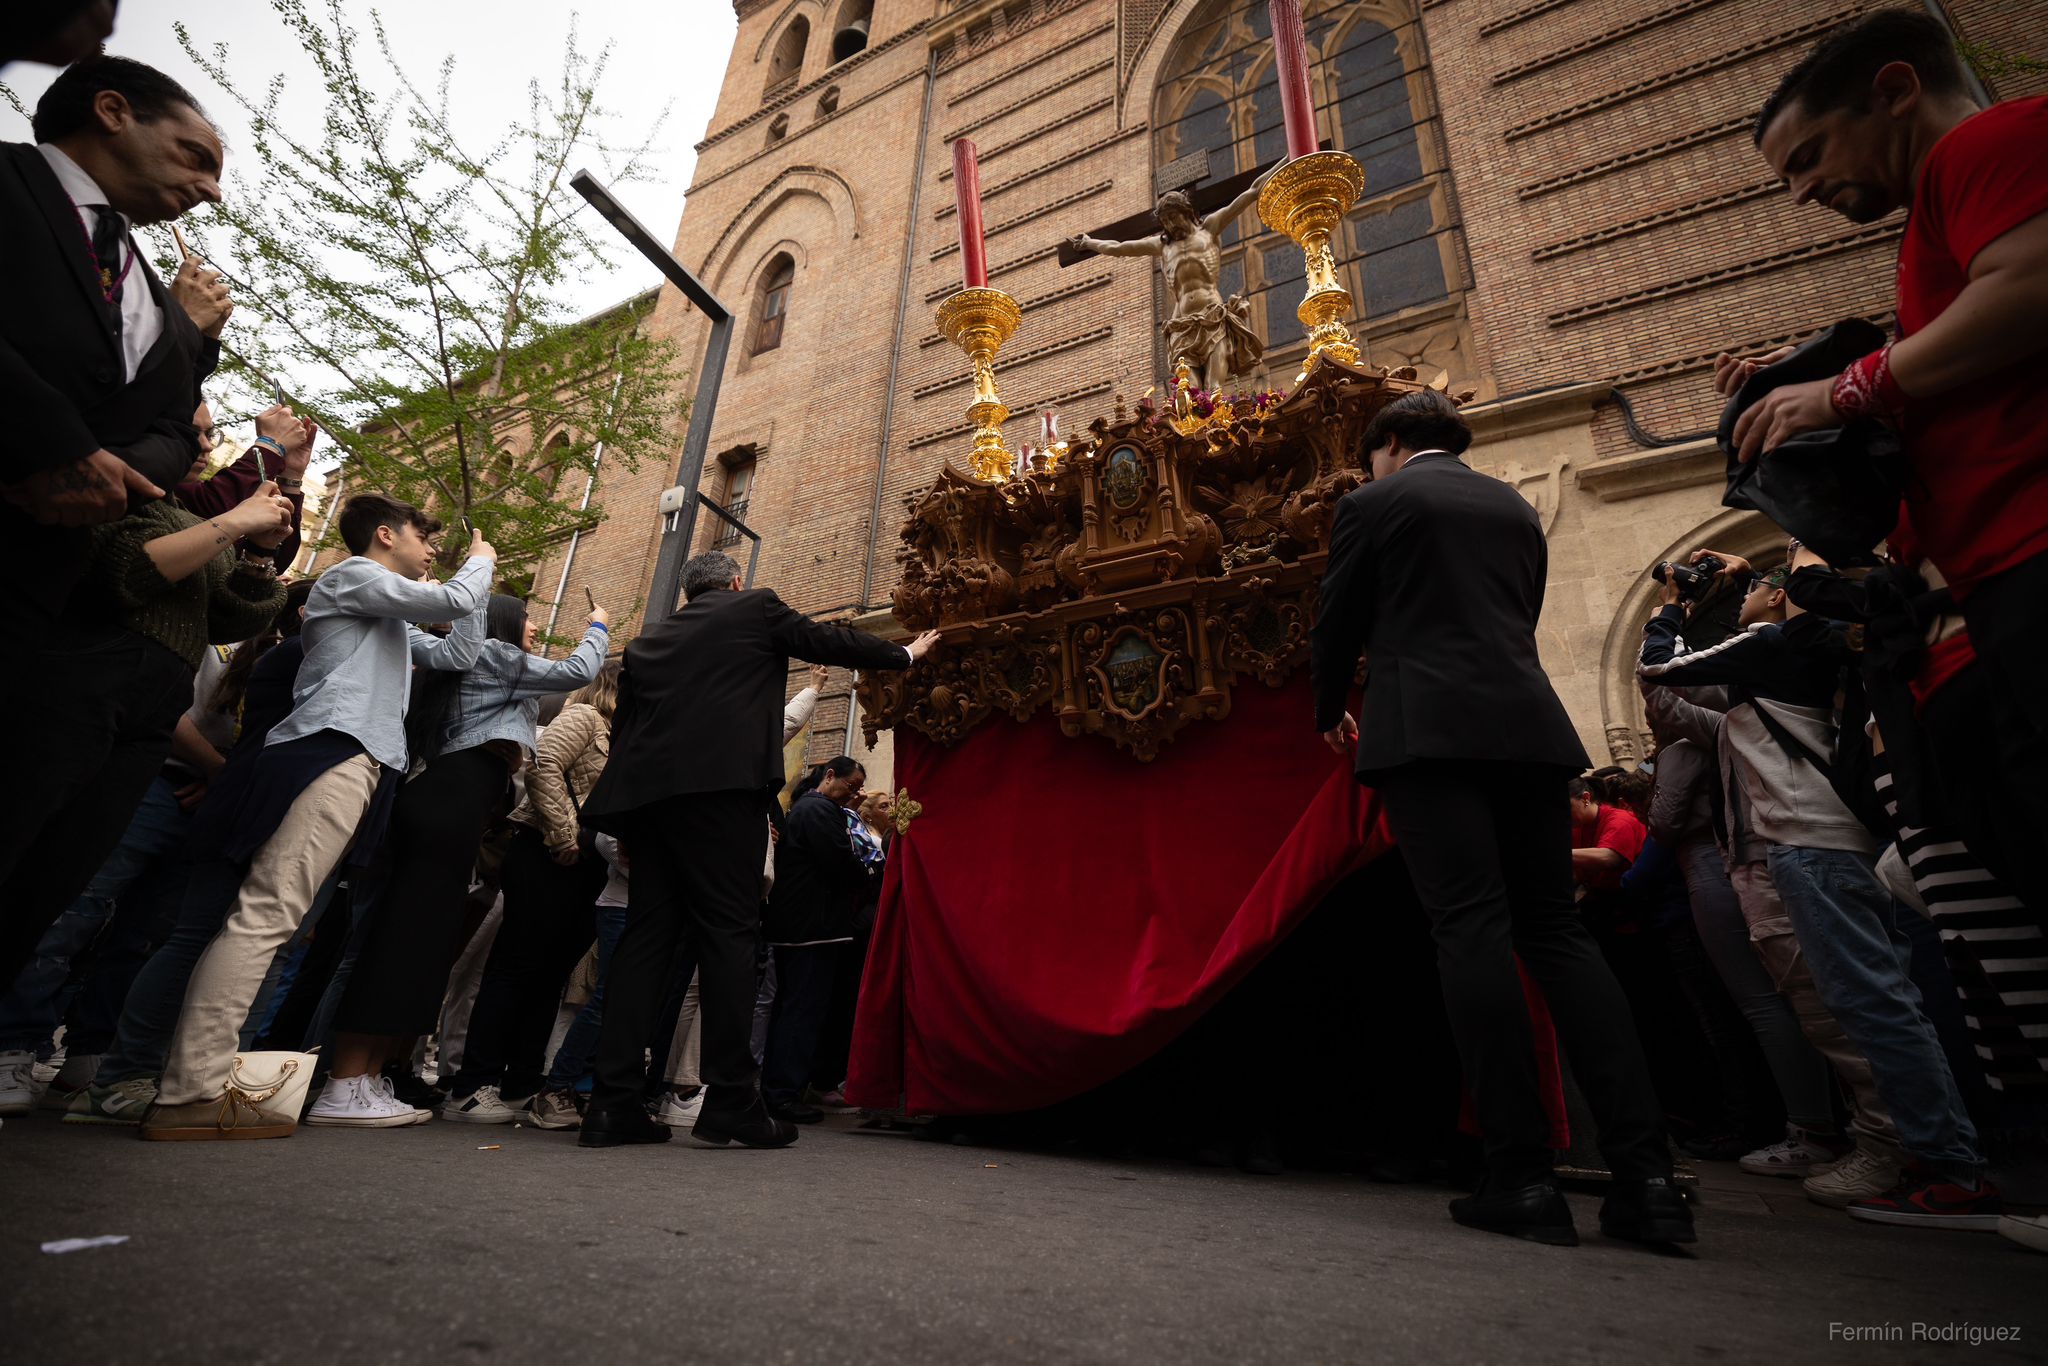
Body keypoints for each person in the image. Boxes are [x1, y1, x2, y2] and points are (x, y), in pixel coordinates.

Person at [1310, 389, 1691, 1248]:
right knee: (1555, 932)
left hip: (1428, 734)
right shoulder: (1515, 506)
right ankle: (1648, 1179)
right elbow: (1517, 616)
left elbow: (1338, 619)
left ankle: (1519, 1176)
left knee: (1471, 929)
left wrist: (1329, 704)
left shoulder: (1374, 502)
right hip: (1528, 732)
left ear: (1391, 444)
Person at [1717, 11, 2048, 922]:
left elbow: (2031, 284)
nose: (1800, 190)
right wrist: (1799, 386)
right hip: (1994, 577)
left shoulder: (1991, 139)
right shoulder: (1935, 212)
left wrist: (1843, 392)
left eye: (1809, 154)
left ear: (1897, 89)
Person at [1640, 546, 2001, 1229]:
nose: (1743, 597)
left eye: (1760, 588)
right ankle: (1917, 1149)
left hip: (1812, 843)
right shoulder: (1807, 653)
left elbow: (1660, 666)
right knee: (1874, 1004)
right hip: (1834, 843)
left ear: (1781, 596)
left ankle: (1932, 1158)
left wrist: (1672, 605)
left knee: (1867, 1007)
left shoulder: (1780, 644)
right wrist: (1746, 580)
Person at [140, 494, 496, 1140]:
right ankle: (190, 1087)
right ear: (386, 535)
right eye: (423, 536)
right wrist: (480, 561)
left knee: (273, 919)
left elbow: (457, 653)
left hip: (357, 764)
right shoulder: (352, 575)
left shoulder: (382, 615)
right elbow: (452, 603)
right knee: (266, 916)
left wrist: (476, 581)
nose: (431, 549)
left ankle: (196, 1081)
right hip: (333, 751)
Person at [575, 550, 938, 1149]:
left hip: (650, 808)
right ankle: (731, 1102)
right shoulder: (755, 608)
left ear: (690, 594)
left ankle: (611, 1104)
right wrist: (903, 652)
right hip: (722, 797)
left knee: (645, 943)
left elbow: (628, 736)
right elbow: (825, 639)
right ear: (737, 582)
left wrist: (630, 829)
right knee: (728, 939)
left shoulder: (647, 645)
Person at [0, 437, 292, 988]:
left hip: (150, 717)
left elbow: (230, 619)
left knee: (58, 880)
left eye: (209, 434)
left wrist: (257, 552)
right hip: (88, 678)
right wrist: (232, 522)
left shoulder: (191, 520)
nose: (206, 443)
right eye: (195, 430)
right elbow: (129, 574)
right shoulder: (129, 501)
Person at [313, 594, 607, 1127]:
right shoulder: (493, 654)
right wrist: (599, 625)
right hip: (450, 801)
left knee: (421, 944)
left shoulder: (485, 670)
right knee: (404, 939)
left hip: (456, 802)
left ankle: (372, 1075)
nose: (536, 635)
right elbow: (579, 671)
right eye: (530, 627)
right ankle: (345, 1084)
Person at [0, 56, 223, 641]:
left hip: (32, 586)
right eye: (196, 157)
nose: (212, 191)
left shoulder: (162, 307)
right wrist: (58, 445)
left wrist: (120, 476)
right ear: (113, 111)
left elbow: (178, 427)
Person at [442, 660, 623, 1127]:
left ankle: (520, 1082)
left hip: (588, 866)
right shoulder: (584, 717)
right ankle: (471, 1087)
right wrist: (563, 835)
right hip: (546, 855)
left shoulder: (626, 736)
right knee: (515, 967)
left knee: (549, 976)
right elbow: (544, 765)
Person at [762, 757, 877, 1125]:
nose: (855, 791)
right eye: (852, 783)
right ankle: (782, 1094)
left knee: (796, 1008)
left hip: (804, 927)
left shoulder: (812, 809)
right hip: (812, 929)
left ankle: (783, 1089)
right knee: (802, 1010)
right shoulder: (820, 811)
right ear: (830, 776)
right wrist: (869, 871)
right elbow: (842, 863)